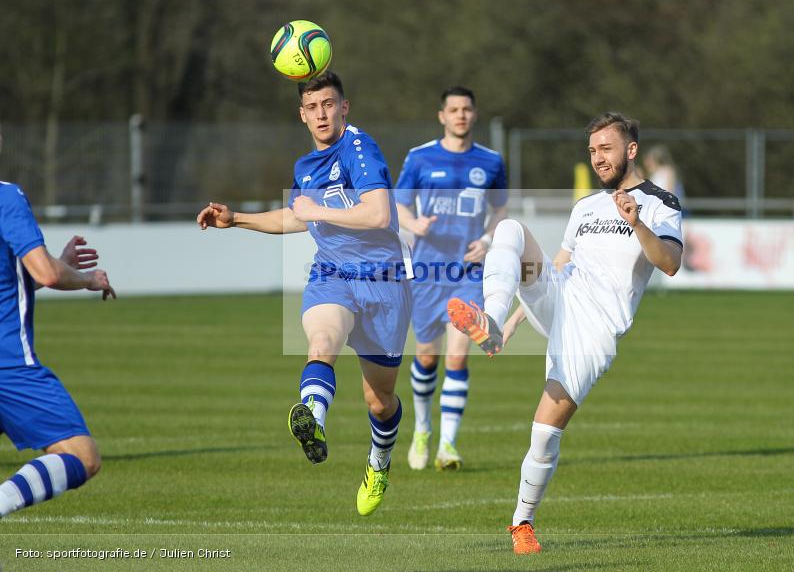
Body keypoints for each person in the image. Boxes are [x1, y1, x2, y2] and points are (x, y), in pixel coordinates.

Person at [447, 112, 683, 554]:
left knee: (545, 430)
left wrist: (636, 221)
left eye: (606, 148)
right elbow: (554, 267)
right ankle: (492, 320)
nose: (598, 158)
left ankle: (522, 522)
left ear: (630, 150)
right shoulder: (586, 207)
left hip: (593, 329)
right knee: (510, 230)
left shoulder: (659, 203)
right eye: (592, 150)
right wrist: (517, 320)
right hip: (559, 295)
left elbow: (669, 263)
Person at [196, 71, 412, 517]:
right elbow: (296, 217)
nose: (322, 114)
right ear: (301, 115)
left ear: (344, 107)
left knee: (380, 399)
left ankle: (379, 462)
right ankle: (313, 415)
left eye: (329, 104)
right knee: (321, 342)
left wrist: (319, 208)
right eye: (313, 107)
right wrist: (236, 219)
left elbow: (378, 213)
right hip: (332, 274)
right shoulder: (304, 166)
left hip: (384, 282)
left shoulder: (358, 147)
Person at [395, 86, 507, 471]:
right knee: (427, 358)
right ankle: (422, 429)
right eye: (453, 109)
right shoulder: (420, 157)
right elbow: (399, 204)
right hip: (427, 273)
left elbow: (500, 207)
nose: (461, 115)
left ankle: (447, 445)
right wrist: (414, 224)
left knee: (458, 357)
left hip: (468, 272)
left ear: (474, 115)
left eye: (467, 109)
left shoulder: (491, 162)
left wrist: (488, 239)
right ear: (441, 115)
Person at [0, 178, 116, 519]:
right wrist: (87, 279)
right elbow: (47, 274)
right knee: (82, 455)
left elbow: (18, 281)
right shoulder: (6, 196)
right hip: (8, 367)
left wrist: (61, 264)